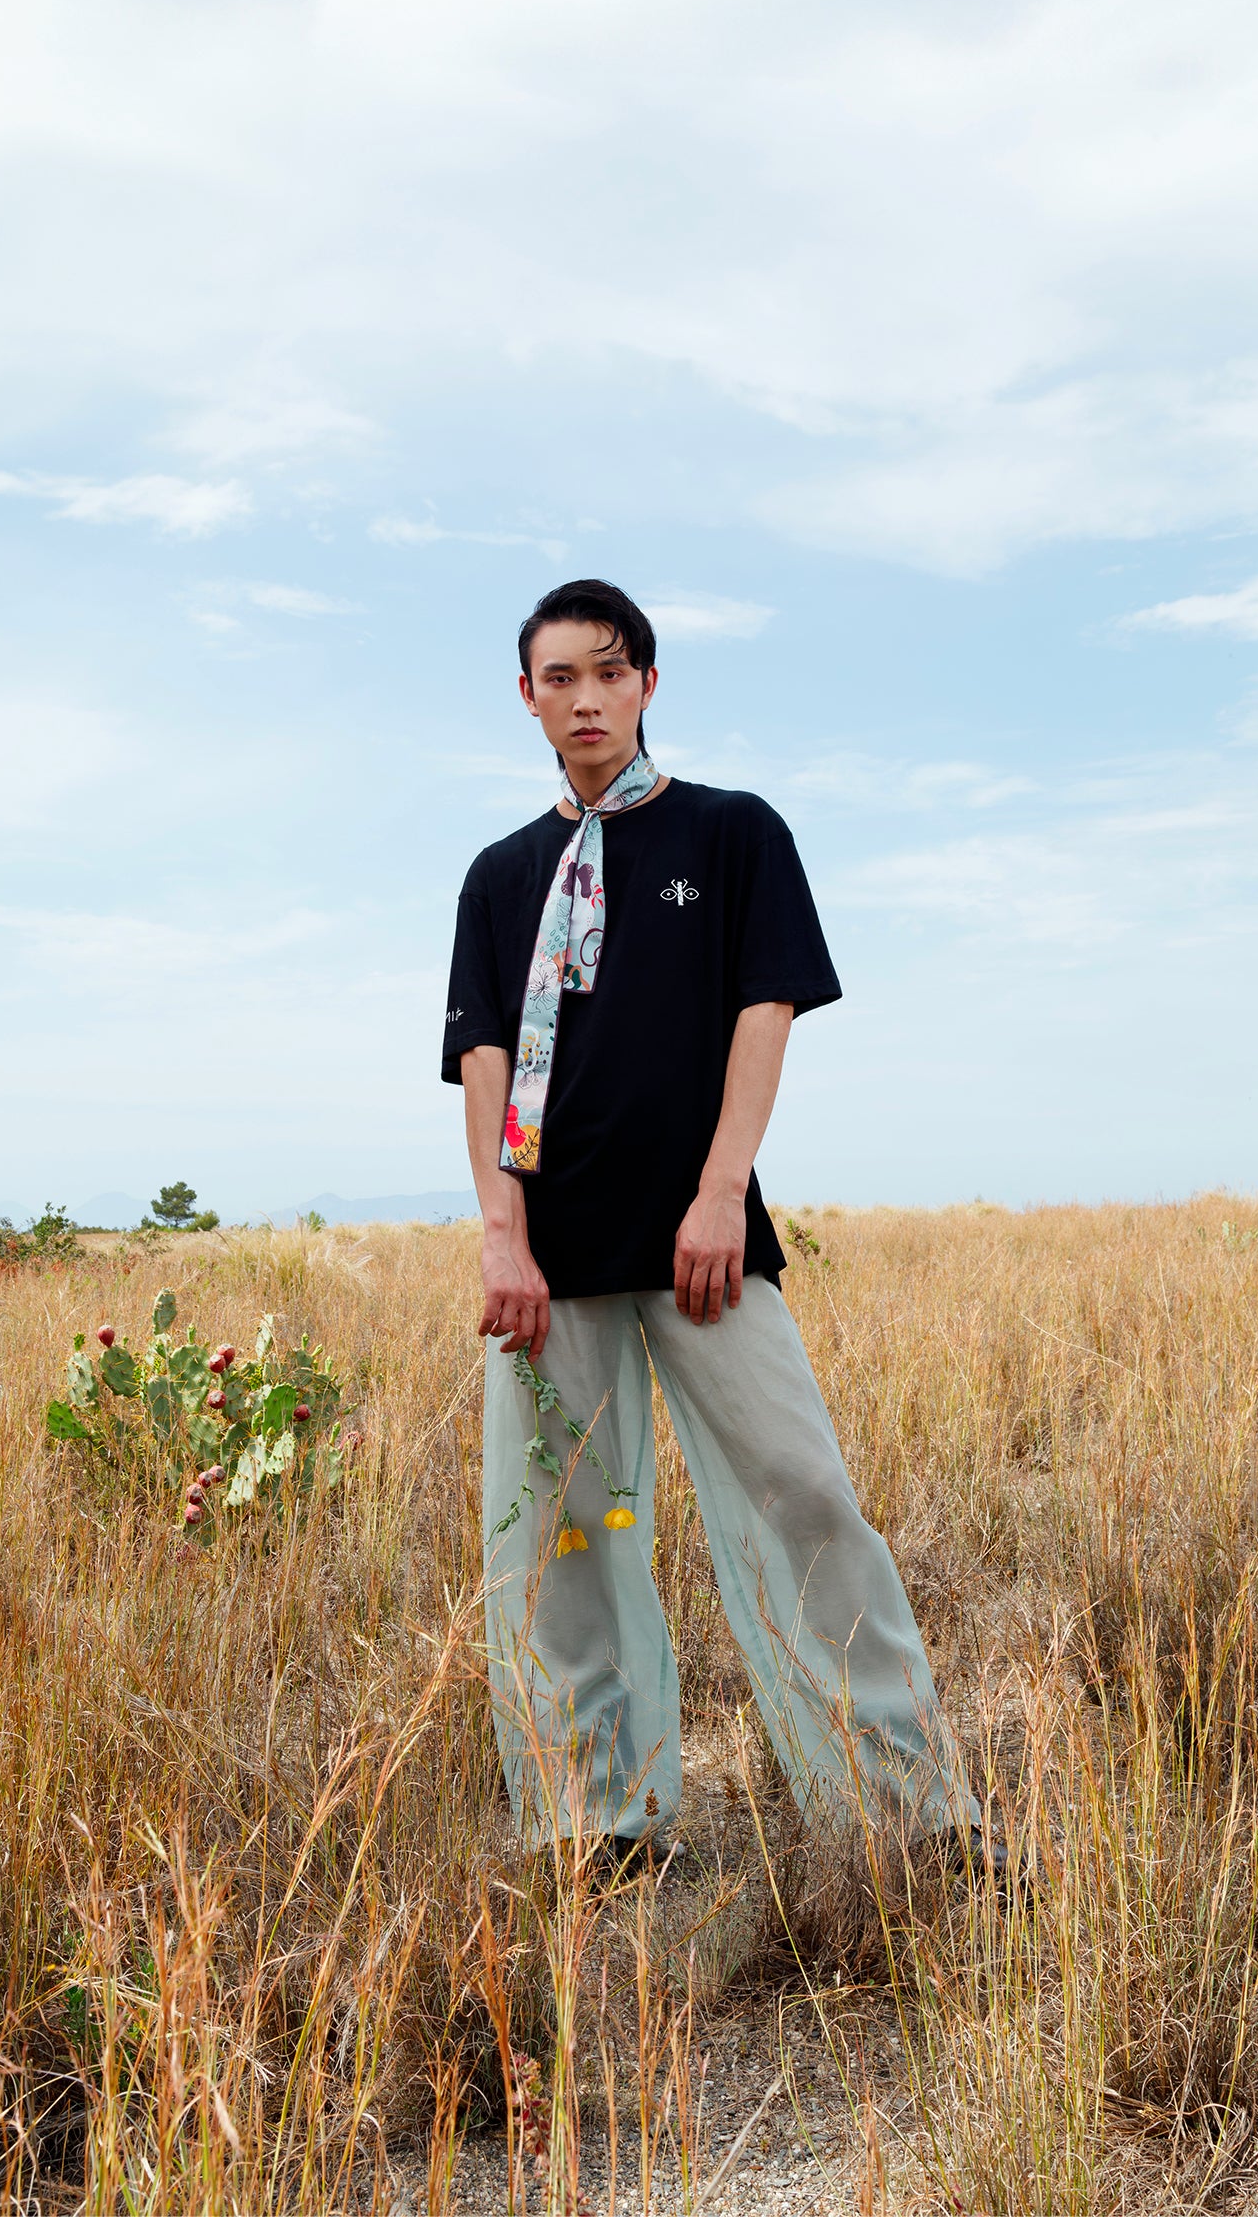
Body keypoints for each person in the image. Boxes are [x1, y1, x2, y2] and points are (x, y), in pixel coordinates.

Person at [441, 578, 985, 1875]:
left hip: (704, 1243)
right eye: (559, 677)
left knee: (803, 1499)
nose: (585, 697)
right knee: (559, 1534)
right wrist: (499, 1233)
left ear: (646, 685)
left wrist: (717, 1193)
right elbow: (481, 1056)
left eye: (609, 672)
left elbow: (765, 1011)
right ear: (526, 698)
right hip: (549, 1253)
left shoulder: (732, 835)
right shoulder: (501, 875)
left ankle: (909, 1820)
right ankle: (595, 1821)